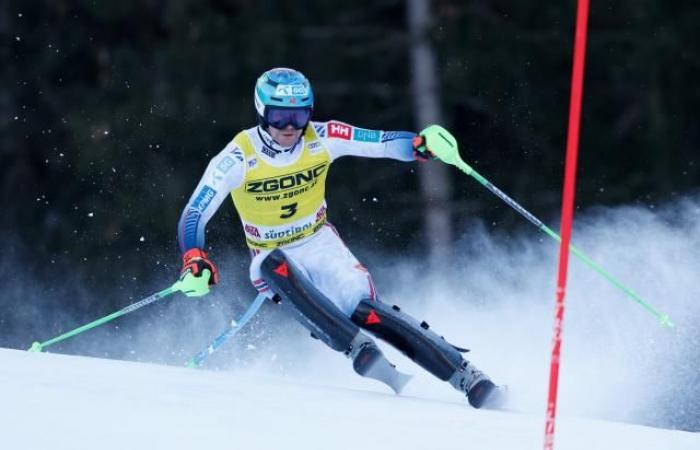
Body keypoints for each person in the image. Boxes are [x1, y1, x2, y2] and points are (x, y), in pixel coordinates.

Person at [175, 67, 504, 408]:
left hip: (319, 243)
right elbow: (194, 212)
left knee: (363, 308)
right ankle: (356, 346)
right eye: (279, 116)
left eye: (298, 115)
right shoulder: (237, 156)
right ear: (261, 112)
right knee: (268, 265)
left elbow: (382, 142)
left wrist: (419, 145)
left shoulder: (323, 135)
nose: (289, 127)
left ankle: (467, 375)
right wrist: (194, 257)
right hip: (270, 251)